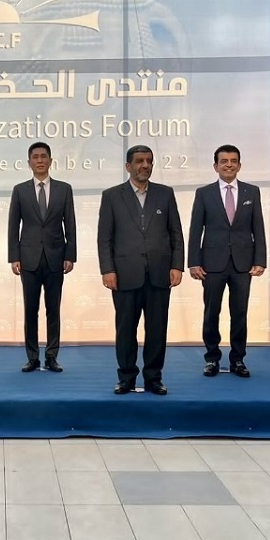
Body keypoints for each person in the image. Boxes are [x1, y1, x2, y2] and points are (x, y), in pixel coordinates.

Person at [97, 144, 184, 395]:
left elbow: (176, 234)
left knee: (157, 329)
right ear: (128, 166)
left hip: (159, 273)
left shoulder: (165, 194)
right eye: (139, 161)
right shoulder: (112, 196)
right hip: (124, 275)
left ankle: (153, 378)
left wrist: (177, 265)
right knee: (125, 329)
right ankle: (126, 377)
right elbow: (105, 238)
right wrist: (107, 269)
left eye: (149, 161)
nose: (145, 165)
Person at [187, 144, 267, 378]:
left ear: (239, 165)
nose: (229, 165)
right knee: (211, 312)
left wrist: (260, 259)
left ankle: (238, 360)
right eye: (224, 161)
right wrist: (193, 262)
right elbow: (195, 229)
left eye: (233, 161)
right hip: (211, 263)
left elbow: (258, 228)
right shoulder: (204, 193)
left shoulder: (252, 192)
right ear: (216, 166)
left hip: (243, 263)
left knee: (239, 313)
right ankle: (212, 358)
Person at [8, 141, 77, 372]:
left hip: (56, 257)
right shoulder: (20, 190)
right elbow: (13, 225)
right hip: (28, 259)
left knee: (53, 309)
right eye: (35, 157)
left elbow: (70, 224)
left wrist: (70, 255)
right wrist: (14, 256)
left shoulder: (64, 189)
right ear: (29, 162)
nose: (39, 160)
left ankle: (51, 356)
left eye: (43, 156)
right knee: (30, 310)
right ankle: (32, 357)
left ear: (50, 160)